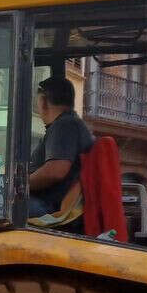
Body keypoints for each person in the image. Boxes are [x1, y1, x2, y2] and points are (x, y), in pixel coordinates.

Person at [28, 74, 93, 218]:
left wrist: (18, 186)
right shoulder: (70, 124)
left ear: (43, 101)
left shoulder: (64, 125)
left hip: (48, 207)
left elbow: (55, 171)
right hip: (49, 204)